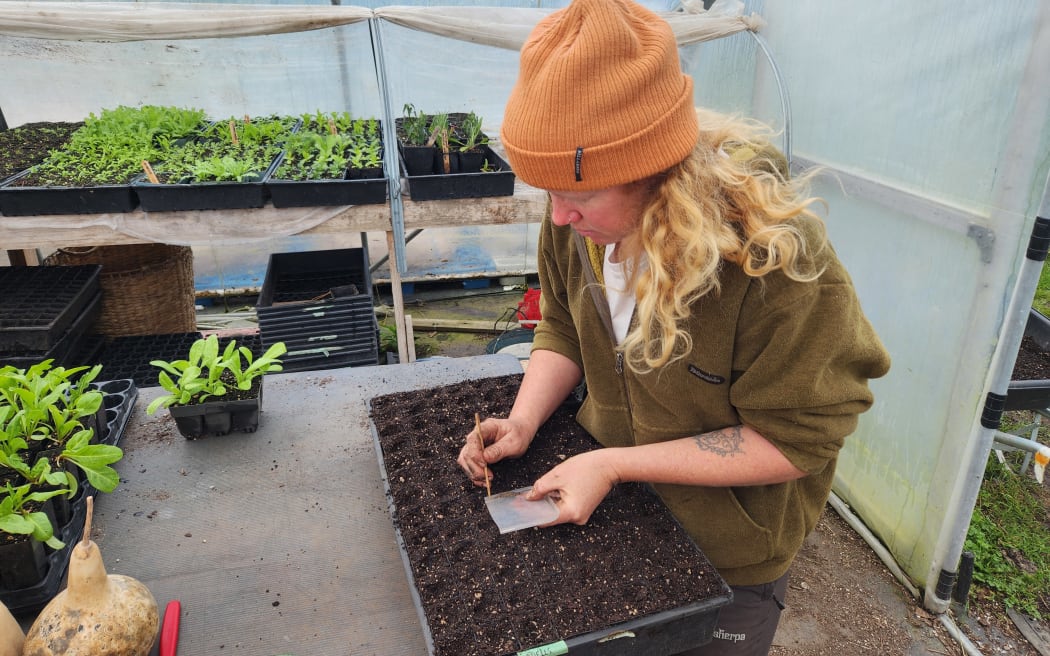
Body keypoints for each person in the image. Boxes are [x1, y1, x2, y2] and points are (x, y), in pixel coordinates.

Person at [456, 0, 892, 653]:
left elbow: (797, 440)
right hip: (620, 516)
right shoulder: (574, 227)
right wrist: (524, 420)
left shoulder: (775, 262)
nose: (560, 216)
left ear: (654, 169)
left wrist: (612, 464)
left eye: (578, 195)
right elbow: (565, 330)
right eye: (547, 193)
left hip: (731, 557)